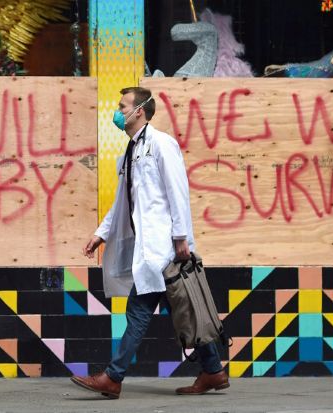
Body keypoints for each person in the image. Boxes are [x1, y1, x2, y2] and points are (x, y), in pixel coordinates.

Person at [70, 87, 229, 399]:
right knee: (184, 308)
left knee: (139, 312)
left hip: (164, 249)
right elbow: (123, 202)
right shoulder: (131, 151)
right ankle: (213, 370)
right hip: (150, 251)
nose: (117, 112)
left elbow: (177, 190)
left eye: (122, 106)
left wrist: (181, 237)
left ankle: (113, 377)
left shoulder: (161, 144)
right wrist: (101, 233)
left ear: (139, 110)